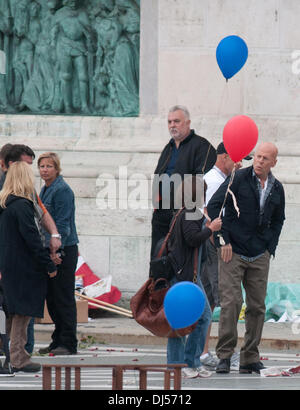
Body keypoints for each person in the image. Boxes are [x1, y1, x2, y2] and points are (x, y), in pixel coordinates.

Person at [207, 142, 285, 374]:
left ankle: (249, 357)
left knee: (257, 307)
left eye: (265, 158)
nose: (259, 161)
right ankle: (224, 355)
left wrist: (270, 247)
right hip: (233, 251)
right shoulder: (238, 178)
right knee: (231, 304)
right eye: (258, 157)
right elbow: (213, 207)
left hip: (260, 253)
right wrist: (223, 240)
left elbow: (279, 219)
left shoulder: (277, 187)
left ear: (273, 162)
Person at [0, 161, 57, 373]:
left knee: (13, 313)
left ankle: (12, 355)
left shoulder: (5, 205)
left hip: (9, 265)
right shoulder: (22, 206)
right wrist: (48, 263)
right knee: (22, 314)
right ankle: (18, 357)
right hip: (23, 267)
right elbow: (32, 239)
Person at [166, 175, 222, 379]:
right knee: (188, 319)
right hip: (184, 276)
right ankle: (181, 363)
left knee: (195, 318)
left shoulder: (188, 212)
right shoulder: (190, 213)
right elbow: (191, 239)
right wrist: (210, 229)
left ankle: (189, 361)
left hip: (189, 275)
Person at [151, 105, 216, 258]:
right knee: (158, 257)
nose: (172, 125)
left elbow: (203, 180)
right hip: (162, 212)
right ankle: (158, 283)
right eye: (169, 122)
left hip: (184, 215)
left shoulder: (201, 146)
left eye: (176, 121)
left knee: (179, 259)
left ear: (188, 123)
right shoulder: (169, 147)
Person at [200, 142, 242, 370]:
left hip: (214, 246)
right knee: (226, 299)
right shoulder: (214, 180)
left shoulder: (215, 179)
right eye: (238, 159)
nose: (240, 164)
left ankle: (203, 352)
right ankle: (224, 353)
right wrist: (221, 243)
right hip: (216, 247)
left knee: (212, 300)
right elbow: (209, 217)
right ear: (225, 157)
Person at [37, 152, 79, 356]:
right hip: (50, 248)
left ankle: (68, 342)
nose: (45, 170)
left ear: (57, 168)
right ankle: (57, 339)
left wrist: (56, 251)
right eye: (42, 166)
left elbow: (62, 224)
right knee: (52, 298)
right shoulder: (45, 189)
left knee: (63, 297)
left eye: (49, 166)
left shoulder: (62, 190)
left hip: (63, 249)